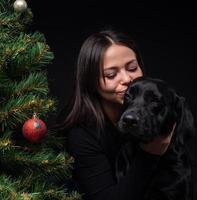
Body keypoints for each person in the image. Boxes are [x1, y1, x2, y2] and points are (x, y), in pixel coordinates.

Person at [55, 29, 181, 200]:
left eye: (132, 68)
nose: (127, 79)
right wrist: (150, 154)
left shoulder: (154, 113)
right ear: (91, 82)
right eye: (111, 75)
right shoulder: (80, 133)